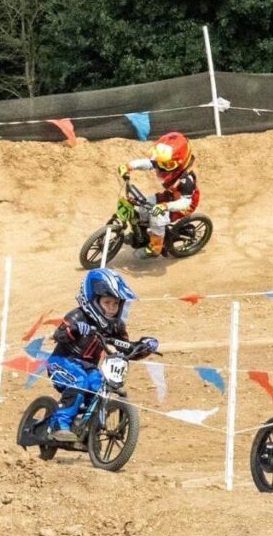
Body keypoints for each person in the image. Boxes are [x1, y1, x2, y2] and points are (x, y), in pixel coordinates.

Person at [45, 268, 157, 441]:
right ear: (93, 301)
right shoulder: (78, 315)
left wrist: (143, 347)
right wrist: (74, 329)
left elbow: (126, 348)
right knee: (79, 382)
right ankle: (59, 425)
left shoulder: (116, 326)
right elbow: (58, 335)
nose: (112, 308)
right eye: (107, 302)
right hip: (61, 362)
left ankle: (88, 430)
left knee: (100, 389)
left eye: (115, 303)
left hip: (89, 368)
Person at [117, 131, 200, 258]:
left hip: (184, 204)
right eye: (161, 163)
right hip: (170, 196)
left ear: (180, 162)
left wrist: (165, 206)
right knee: (142, 206)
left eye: (167, 164)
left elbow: (185, 202)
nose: (161, 167)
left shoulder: (186, 180)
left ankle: (155, 247)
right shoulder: (165, 163)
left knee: (157, 216)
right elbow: (149, 163)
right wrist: (129, 166)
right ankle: (143, 233)